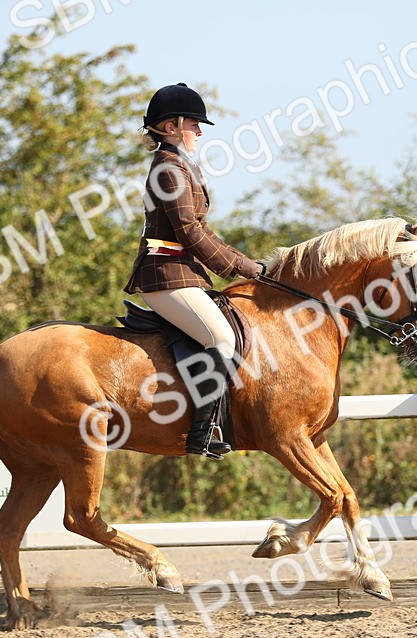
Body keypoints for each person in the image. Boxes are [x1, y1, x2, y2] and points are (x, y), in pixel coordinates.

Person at [124, 83, 264, 460]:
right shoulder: (169, 169)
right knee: (222, 339)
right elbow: (190, 231)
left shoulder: (181, 165)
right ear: (170, 126)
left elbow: (202, 230)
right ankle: (200, 433)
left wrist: (248, 264)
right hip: (164, 276)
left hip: (181, 274)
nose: (200, 132)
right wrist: (243, 268)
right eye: (194, 124)